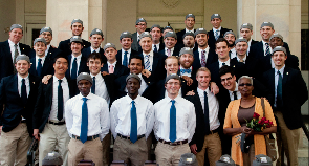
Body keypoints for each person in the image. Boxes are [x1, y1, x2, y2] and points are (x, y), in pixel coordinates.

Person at [262, 46, 308, 166]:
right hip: (272, 115)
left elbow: (304, 94)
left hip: (289, 117)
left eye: (281, 55)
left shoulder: (294, 73)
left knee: (291, 152)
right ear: (272, 58)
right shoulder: (267, 74)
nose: (278, 58)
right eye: (276, 55)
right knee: (277, 150)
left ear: (285, 57)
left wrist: (293, 107)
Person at [33, 56, 78, 166]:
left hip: (66, 127)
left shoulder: (72, 84)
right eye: (58, 63)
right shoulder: (45, 83)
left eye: (64, 63)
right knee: (44, 156)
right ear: (54, 65)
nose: (61, 65)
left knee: (66, 156)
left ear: (67, 67)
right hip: (48, 127)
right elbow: (38, 105)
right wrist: (35, 127)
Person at [223, 76, 277, 166]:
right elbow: (225, 129)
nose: (245, 86)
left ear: (253, 87)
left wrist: (256, 131)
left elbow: (274, 128)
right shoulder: (232, 105)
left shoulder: (263, 103)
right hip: (239, 145)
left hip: (259, 144)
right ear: (238, 88)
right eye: (242, 84)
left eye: (248, 84)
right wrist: (241, 130)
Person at [0, 55, 40, 166]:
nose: (22, 66)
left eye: (24, 64)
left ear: (29, 66)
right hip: (9, 126)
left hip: (27, 127)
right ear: (16, 66)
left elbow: (37, 104)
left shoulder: (36, 81)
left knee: (22, 161)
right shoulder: (6, 81)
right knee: (6, 160)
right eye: (19, 64)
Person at [65, 72, 110, 166]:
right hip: (75, 143)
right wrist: (76, 138)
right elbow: (69, 124)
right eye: (81, 83)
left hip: (93, 143)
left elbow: (105, 125)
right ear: (78, 85)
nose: (83, 86)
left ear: (91, 84)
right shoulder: (71, 102)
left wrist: (96, 139)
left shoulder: (101, 102)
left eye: (86, 83)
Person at [110, 74, 154, 166]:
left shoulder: (147, 104)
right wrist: (120, 138)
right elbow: (113, 124)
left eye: (135, 83)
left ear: (139, 85)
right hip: (121, 143)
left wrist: (141, 138)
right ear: (126, 85)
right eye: (130, 83)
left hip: (140, 143)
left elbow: (149, 125)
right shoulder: (117, 104)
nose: (132, 85)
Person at [154, 74, 196, 166]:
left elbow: (191, 126)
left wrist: (183, 142)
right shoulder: (157, 106)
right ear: (166, 86)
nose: (173, 86)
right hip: (163, 148)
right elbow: (156, 127)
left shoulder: (189, 105)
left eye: (176, 83)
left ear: (180, 86)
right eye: (171, 83)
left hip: (182, 148)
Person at [186, 67, 222, 166]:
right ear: (196, 78)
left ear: (210, 78)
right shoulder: (190, 96)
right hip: (197, 136)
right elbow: (188, 120)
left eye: (206, 77)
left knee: (217, 163)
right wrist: (192, 141)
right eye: (201, 77)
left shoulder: (217, 93)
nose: (204, 79)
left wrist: (214, 84)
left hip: (214, 135)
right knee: (197, 164)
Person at [87, 53, 115, 165]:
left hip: (103, 123)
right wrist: (48, 76)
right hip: (86, 122)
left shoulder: (109, 79)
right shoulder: (80, 80)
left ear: (102, 64)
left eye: (97, 62)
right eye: (92, 62)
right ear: (87, 64)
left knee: (103, 155)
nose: (94, 65)